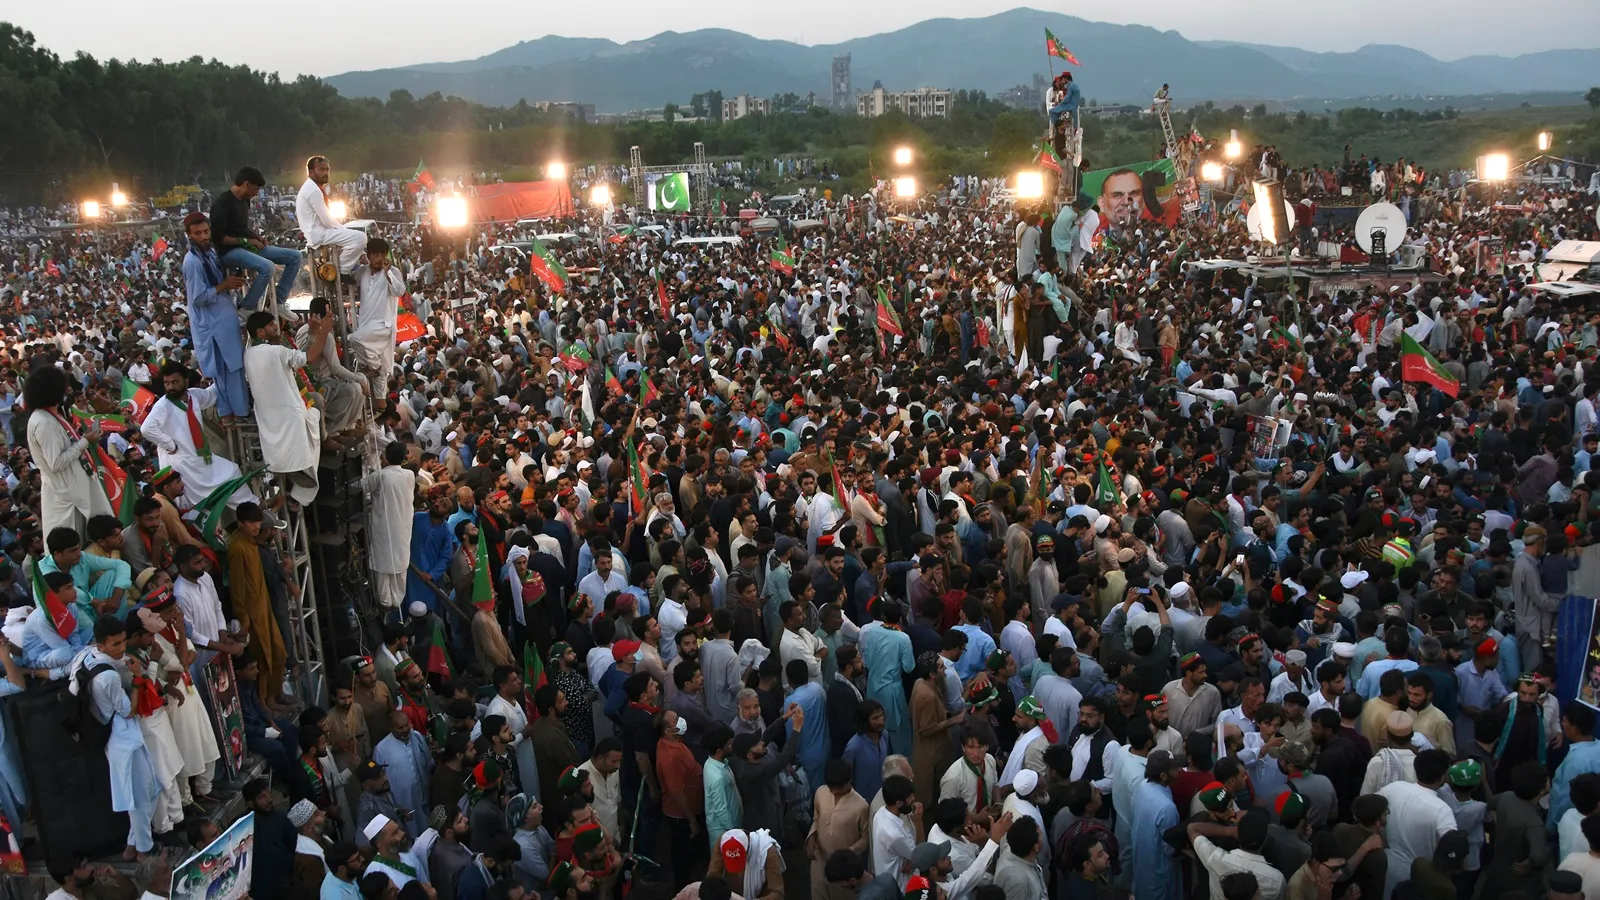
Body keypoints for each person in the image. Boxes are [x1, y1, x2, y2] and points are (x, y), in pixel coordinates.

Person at [75, 614, 162, 860]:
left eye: (124, 641)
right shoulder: (109, 677)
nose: (122, 648)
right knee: (140, 797)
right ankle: (144, 850)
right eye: (115, 644)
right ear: (101, 644)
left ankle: (132, 846)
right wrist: (136, 677)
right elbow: (128, 710)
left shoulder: (86, 656)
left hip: (119, 736)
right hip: (122, 737)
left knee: (148, 790)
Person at [143, 361, 256, 509]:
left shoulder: (193, 396)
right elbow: (147, 429)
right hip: (180, 463)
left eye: (175, 382)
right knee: (189, 504)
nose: (171, 387)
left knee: (231, 472)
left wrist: (226, 373)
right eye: (167, 383)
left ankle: (252, 508)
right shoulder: (163, 406)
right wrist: (169, 444)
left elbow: (211, 393)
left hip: (200, 458)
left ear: (186, 381)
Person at [24, 365, 113, 536]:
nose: (67, 390)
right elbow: (56, 463)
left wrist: (83, 439)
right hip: (68, 499)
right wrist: (85, 441)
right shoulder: (44, 422)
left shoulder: (49, 415)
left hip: (74, 490)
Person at [179, 212, 251, 424]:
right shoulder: (192, 262)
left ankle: (237, 412)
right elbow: (198, 297)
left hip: (223, 321)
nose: (203, 236)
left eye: (206, 231)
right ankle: (233, 415)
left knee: (233, 369)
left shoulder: (209, 254)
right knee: (226, 372)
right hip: (213, 325)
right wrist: (225, 286)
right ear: (189, 236)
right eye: (198, 233)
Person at [211, 166, 304, 311]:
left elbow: (241, 227)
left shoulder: (244, 200)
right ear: (246, 184)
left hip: (248, 247)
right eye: (255, 189)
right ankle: (246, 307)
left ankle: (279, 301)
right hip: (229, 252)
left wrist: (256, 237)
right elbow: (218, 237)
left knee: (295, 257)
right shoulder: (222, 203)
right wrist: (247, 241)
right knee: (268, 267)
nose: (256, 193)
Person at [349, 238, 406, 400]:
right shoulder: (362, 272)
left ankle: (375, 368)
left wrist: (387, 273)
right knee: (380, 368)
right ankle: (380, 404)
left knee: (354, 340)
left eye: (382, 254)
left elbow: (399, 291)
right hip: (366, 324)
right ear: (368, 256)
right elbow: (349, 278)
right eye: (375, 255)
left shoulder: (392, 271)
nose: (379, 259)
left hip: (383, 325)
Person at [296, 156, 369, 278]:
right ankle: (341, 270)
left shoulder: (313, 187)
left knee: (354, 238)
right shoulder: (313, 190)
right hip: (319, 234)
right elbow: (327, 220)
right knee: (361, 238)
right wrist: (345, 231)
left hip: (320, 232)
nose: (325, 173)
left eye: (327, 169)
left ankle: (339, 268)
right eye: (321, 170)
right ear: (311, 172)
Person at [366, 441, 417, 610]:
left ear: (386, 457)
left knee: (383, 565)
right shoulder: (409, 475)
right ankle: (396, 601)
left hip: (383, 528)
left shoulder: (381, 476)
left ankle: (385, 602)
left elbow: (362, 487)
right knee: (400, 564)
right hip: (402, 528)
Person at [808, 759, 869, 900]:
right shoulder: (820, 793)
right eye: (831, 788)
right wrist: (811, 837)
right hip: (819, 860)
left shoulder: (861, 806)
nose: (834, 792)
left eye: (838, 788)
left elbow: (866, 838)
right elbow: (816, 819)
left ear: (849, 781)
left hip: (843, 869)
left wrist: (848, 853)